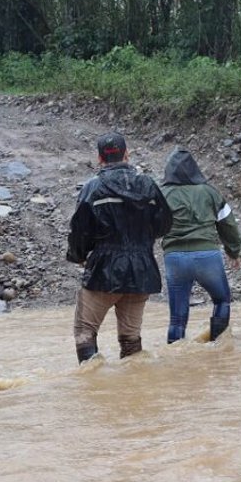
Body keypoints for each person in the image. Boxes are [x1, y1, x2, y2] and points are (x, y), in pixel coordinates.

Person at [66, 132, 172, 363]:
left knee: (85, 331)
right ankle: (134, 390)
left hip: (104, 270)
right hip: (142, 270)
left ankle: (93, 387)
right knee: (131, 337)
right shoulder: (147, 184)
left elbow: (80, 228)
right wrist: (142, 241)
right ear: (127, 155)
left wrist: (79, 256)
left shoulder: (93, 188)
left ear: (99, 159)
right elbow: (164, 223)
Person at [159, 148, 241, 343]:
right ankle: (218, 349)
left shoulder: (162, 194)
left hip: (175, 258)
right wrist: (234, 251)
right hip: (207, 256)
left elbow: (149, 225)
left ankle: (174, 359)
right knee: (222, 300)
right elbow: (228, 224)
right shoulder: (210, 192)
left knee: (177, 319)